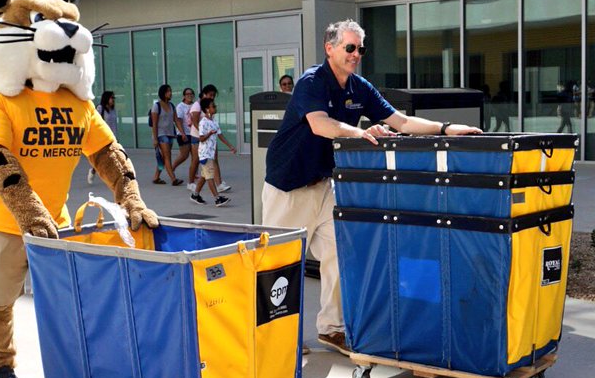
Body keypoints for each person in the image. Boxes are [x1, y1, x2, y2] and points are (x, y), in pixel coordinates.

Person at [262, 19, 481, 352]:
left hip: (325, 185)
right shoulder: (311, 82)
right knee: (278, 264)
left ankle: (331, 327)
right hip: (288, 185)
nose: (355, 55)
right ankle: (276, 337)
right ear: (330, 47)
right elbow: (320, 125)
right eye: (349, 48)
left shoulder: (359, 87)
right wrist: (359, 132)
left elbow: (401, 121)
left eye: (360, 49)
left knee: (339, 252)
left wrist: (447, 129)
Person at [189, 97, 237, 206]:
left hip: (210, 153)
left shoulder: (214, 121)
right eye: (213, 106)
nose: (215, 107)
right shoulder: (203, 123)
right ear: (207, 109)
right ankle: (217, 198)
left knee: (204, 175)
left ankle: (195, 195)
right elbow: (201, 138)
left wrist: (230, 146)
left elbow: (220, 135)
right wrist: (209, 134)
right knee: (210, 176)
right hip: (205, 153)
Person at [188, 85, 231, 192]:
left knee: (213, 160)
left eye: (214, 96)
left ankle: (219, 183)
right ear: (204, 94)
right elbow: (195, 122)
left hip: (210, 138)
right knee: (196, 160)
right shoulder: (197, 106)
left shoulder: (210, 106)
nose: (212, 97)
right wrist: (204, 134)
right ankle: (191, 182)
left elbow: (214, 126)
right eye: (210, 95)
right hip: (198, 137)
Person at [150, 84, 184, 185]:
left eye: (171, 91)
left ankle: (156, 177)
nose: (170, 93)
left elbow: (176, 120)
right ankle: (173, 179)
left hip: (170, 134)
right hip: (160, 135)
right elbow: (154, 124)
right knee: (167, 156)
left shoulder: (171, 105)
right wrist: (155, 139)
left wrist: (182, 132)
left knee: (164, 157)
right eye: (168, 91)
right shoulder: (156, 106)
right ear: (163, 93)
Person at [88, 90, 118, 185]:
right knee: (102, 159)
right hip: (102, 138)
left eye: (114, 98)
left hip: (112, 137)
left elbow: (114, 125)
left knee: (113, 157)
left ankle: (113, 177)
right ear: (106, 98)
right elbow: (94, 122)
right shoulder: (100, 108)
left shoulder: (113, 110)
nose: (113, 100)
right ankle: (93, 171)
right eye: (111, 98)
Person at [172, 87, 195, 179]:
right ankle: (171, 168)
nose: (190, 96)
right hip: (184, 133)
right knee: (184, 155)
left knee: (195, 155)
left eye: (191, 94)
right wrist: (182, 133)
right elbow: (178, 120)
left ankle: (194, 173)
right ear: (184, 96)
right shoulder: (180, 106)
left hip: (193, 133)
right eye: (187, 94)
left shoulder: (195, 105)